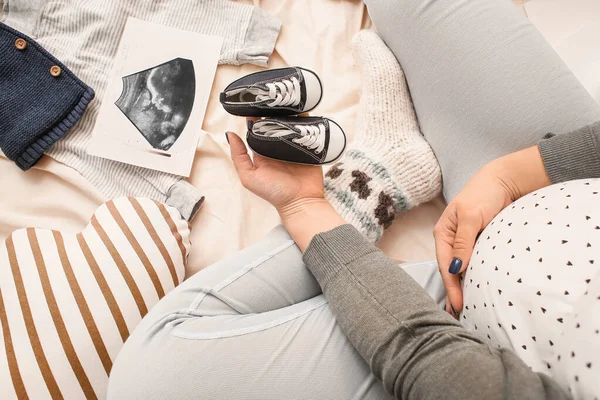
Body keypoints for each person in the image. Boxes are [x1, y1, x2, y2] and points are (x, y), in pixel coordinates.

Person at [107, 0, 600, 398]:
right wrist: (511, 175)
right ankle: (385, 173)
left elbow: (435, 362)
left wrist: (308, 210)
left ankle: (374, 181)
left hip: (469, 334)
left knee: (149, 381)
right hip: (556, 185)